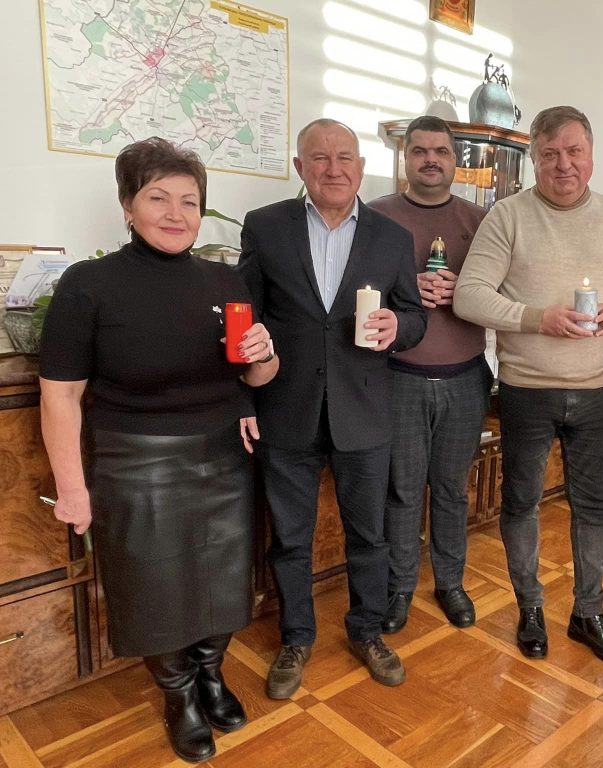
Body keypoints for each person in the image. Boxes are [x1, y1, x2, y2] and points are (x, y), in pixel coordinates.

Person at [39, 137, 279, 763]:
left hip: (224, 457)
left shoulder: (225, 279)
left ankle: (211, 673)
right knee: (155, 590)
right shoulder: (89, 284)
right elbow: (60, 395)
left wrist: (265, 357)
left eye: (189, 201)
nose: (176, 214)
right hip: (134, 461)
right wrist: (72, 489)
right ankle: (179, 695)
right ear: (128, 206)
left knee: (226, 582)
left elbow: (253, 375)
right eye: (158, 198)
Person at [454, 105, 603, 664]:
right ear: (533, 158)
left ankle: (589, 612)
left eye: (574, 152)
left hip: (594, 389)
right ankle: (530, 609)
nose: (564, 164)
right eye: (550, 154)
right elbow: (469, 295)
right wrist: (537, 318)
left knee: (593, 506)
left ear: (591, 155)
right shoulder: (508, 216)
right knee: (521, 504)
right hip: (527, 389)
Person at [238, 118, 425, 695]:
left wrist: (398, 327)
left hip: (364, 411)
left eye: (345, 157)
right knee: (290, 538)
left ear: (362, 168)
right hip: (285, 409)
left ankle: (366, 631)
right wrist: (245, 397)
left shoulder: (392, 237)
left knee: (369, 535)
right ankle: (296, 638)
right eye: (319, 158)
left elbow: (414, 316)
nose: (334, 168)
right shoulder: (265, 226)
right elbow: (246, 320)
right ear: (301, 168)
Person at [366, 116, 490, 633]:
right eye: (420, 151)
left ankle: (450, 582)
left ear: (456, 160)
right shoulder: (376, 216)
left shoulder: (481, 220)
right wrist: (403, 289)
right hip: (400, 377)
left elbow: (502, 291)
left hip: (465, 378)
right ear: (405, 157)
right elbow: (356, 289)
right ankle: (399, 587)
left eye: (441, 151)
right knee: (402, 489)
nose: (430, 160)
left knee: (452, 489)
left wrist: (467, 290)